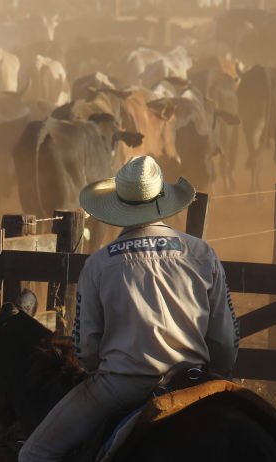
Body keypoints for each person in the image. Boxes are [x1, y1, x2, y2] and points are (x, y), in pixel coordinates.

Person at [18, 155, 240, 462]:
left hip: (121, 386)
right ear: (163, 200)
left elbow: (86, 348)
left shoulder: (99, 263)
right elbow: (225, 339)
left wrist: (100, 368)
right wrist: (215, 376)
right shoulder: (201, 253)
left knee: (34, 454)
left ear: (118, 205)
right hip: (192, 380)